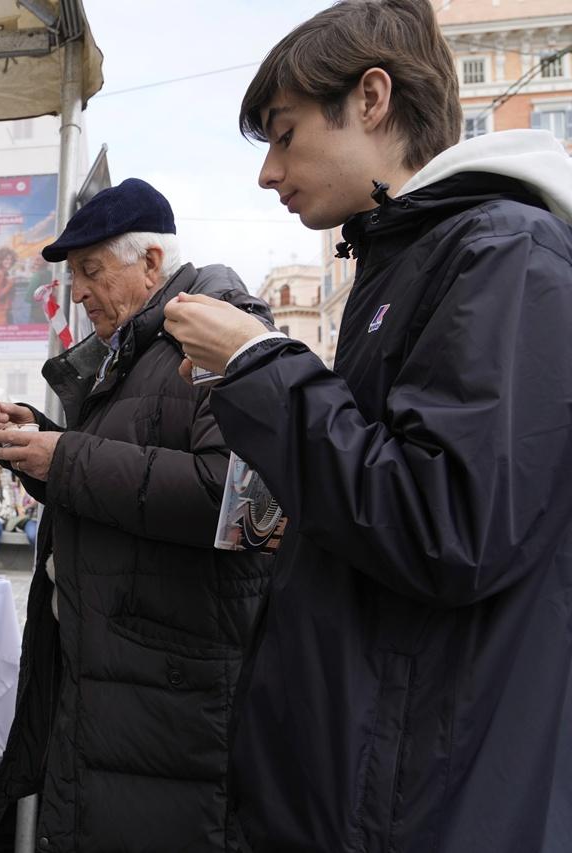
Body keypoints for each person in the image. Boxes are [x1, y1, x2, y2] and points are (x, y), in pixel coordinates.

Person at [163, 2, 572, 849]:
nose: (269, 173)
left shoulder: (503, 252)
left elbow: (447, 520)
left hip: (413, 795)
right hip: (366, 777)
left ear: (372, 98)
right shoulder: (416, 255)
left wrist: (261, 366)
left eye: (283, 134)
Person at [0, 178, 274, 851]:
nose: (78, 291)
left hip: (172, 686)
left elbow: (242, 503)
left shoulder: (221, 327)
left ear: (151, 264)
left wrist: (68, 457)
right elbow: (126, 484)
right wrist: (40, 443)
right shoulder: (139, 348)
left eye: (90, 270)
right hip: (124, 673)